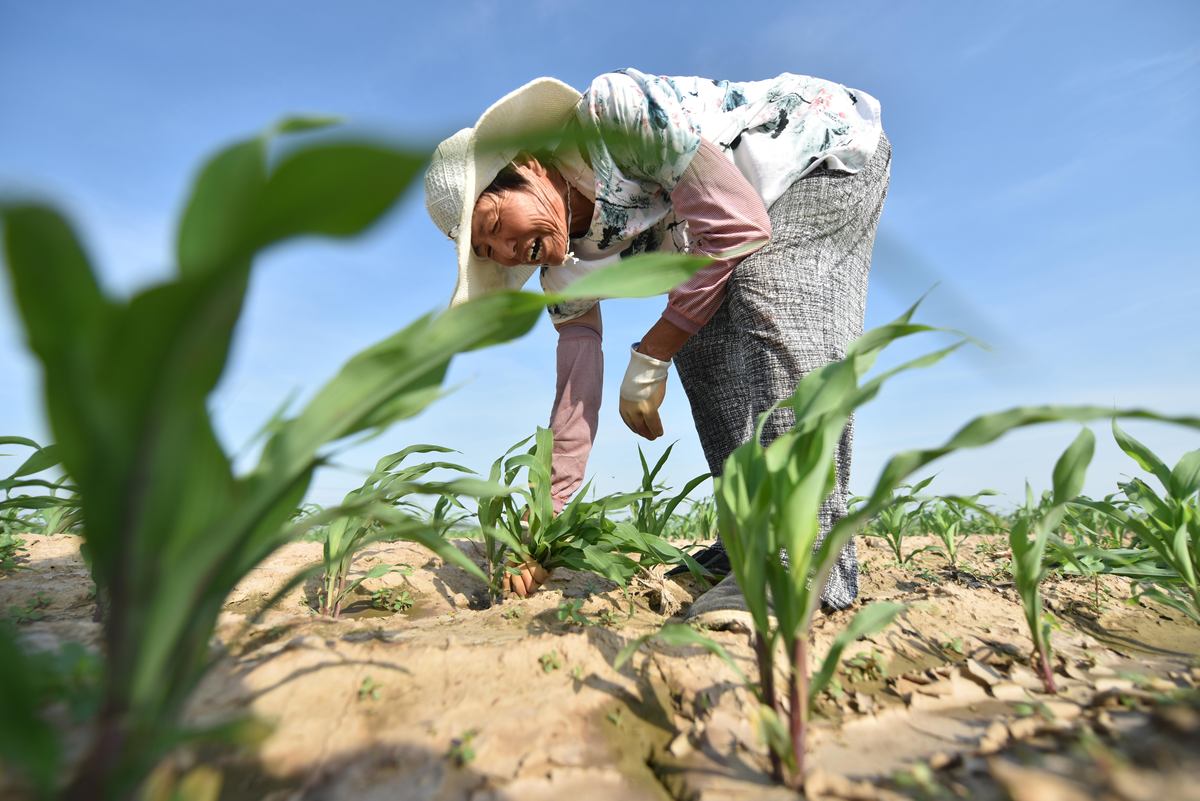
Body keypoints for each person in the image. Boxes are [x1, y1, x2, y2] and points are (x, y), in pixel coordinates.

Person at [424, 68, 890, 625]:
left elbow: (737, 223)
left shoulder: (614, 117)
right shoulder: (564, 277)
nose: (505, 249)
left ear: (524, 167)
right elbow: (574, 405)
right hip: (728, 226)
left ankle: (800, 560)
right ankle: (748, 540)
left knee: (768, 299)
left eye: (497, 220)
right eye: (486, 248)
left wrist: (652, 351)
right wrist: (541, 530)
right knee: (703, 351)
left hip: (814, 152)